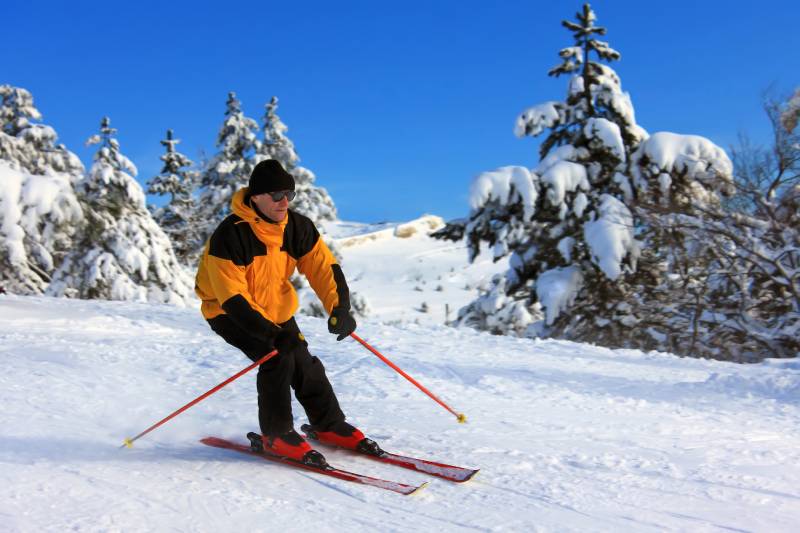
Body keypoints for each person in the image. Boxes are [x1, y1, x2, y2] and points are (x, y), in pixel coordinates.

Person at [195, 159, 371, 466]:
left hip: (274, 309)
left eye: (289, 193)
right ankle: (276, 435)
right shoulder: (230, 236)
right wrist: (272, 335)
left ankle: (328, 425)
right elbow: (232, 297)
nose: (284, 201)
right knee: (276, 357)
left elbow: (323, 268)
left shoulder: (297, 228)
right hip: (228, 312)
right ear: (256, 197)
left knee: (304, 362)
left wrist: (339, 308)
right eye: (277, 195)